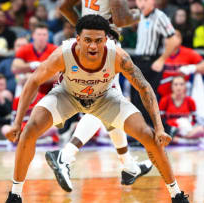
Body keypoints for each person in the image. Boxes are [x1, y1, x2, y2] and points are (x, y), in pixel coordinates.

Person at [4, 15, 189, 203]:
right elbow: (33, 81)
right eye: (88, 40)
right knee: (29, 131)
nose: (93, 46)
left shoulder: (118, 56)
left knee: (149, 136)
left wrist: (159, 127)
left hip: (104, 97)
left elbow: (144, 87)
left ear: (107, 40)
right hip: (68, 95)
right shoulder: (63, 54)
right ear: (78, 39)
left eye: (98, 41)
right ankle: (15, 194)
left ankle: (176, 195)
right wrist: (17, 123)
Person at [57, 0, 152, 188]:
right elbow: (121, 18)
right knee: (104, 105)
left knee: (111, 105)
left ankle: (128, 165)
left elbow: (63, 7)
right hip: (103, 44)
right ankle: (65, 156)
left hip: (87, 43)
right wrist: (139, 14)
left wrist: (85, 29)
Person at [132, 0, 180, 131]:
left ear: (152, 2)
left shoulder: (160, 17)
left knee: (147, 100)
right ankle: (146, 132)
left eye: (145, 0)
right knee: (137, 101)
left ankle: (165, 129)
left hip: (151, 62)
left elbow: (173, 39)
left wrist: (162, 59)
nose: (142, 3)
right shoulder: (139, 15)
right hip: (139, 61)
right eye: (139, 0)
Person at [158, 30, 204, 98]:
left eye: (175, 36)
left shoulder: (188, 53)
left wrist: (190, 68)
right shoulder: (157, 54)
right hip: (160, 96)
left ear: (180, 40)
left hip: (183, 97)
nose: (171, 39)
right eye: (168, 37)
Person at [159, 75, 204, 144]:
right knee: (165, 135)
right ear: (172, 87)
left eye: (181, 84)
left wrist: (186, 126)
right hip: (171, 129)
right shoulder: (165, 100)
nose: (179, 87)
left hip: (186, 129)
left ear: (185, 86)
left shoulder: (190, 101)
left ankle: (181, 140)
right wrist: (173, 126)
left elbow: (194, 120)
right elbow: (160, 120)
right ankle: (188, 141)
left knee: (201, 130)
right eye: (176, 84)